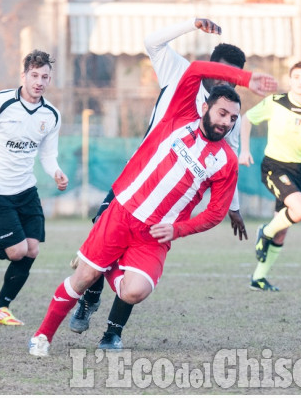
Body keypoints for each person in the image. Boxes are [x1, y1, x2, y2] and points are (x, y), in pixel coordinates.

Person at [28, 60, 278, 357]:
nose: (226, 122)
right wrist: (247, 78)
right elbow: (196, 69)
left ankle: (106, 265)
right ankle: (42, 336)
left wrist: (177, 229)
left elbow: (215, 213)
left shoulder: (226, 161)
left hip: (155, 235)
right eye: (222, 113)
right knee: (82, 279)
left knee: (134, 291)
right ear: (204, 109)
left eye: (233, 118)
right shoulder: (178, 117)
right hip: (122, 214)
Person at [69, 18, 250, 350]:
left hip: (172, 202)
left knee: (140, 261)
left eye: (232, 77)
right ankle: (90, 297)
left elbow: (228, 164)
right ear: (208, 64)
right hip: (138, 179)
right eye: (220, 70)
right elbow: (152, 41)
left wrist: (233, 208)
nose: (224, 79)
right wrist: (190, 24)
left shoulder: (229, 116)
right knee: (102, 231)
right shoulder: (181, 73)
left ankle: (113, 332)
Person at [0, 50, 69, 326]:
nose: (39, 82)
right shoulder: (1, 103)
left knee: (32, 249)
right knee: (17, 251)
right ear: (23, 75)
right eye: (34, 75)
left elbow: (46, 155)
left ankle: (0, 309)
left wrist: (56, 172)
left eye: (45, 76)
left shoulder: (52, 115)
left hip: (27, 191)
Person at [239, 61, 301, 291]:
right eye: (297, 76)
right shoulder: (275, 102)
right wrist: (244, 150)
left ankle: (258, 278)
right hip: (274, 166)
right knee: (300, 209)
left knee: (282, 232)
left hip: (298, 171)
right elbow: (247, 118)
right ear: (290, 81)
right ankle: (265, 231)